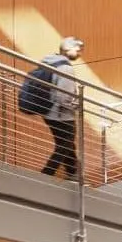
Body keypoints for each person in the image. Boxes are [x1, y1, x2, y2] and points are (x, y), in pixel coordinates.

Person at [36, 37, 84, 181]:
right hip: (61, 115)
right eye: (77, 50)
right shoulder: (66, 69)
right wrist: (77, 106)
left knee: (66, 143)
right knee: (65, 144)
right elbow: (64, 98)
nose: (79, 53)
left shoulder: (49, 61)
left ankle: (72, 172)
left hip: (48, 112)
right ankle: (46, 175)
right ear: (68, 49)